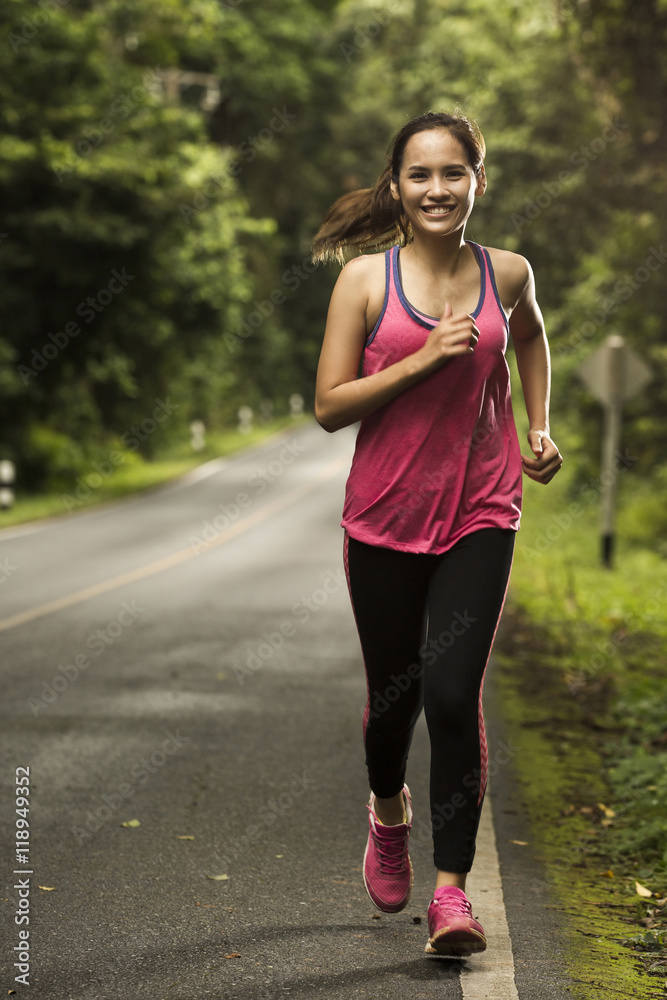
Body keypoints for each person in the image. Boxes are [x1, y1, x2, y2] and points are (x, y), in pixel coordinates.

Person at [312, 110, 562, 957]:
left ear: (477, 183)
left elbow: (528, 337)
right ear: (396, 186)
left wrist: (537, 424)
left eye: (452, 173)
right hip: (382, 518)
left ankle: (450, 895)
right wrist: (421, 359)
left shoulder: (511, 273)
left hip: (480, 512)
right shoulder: (363, 283)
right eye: (419, 175)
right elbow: (327, 407)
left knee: (453, 697)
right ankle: (388, 811)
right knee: (396, 704)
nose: (436, 189)